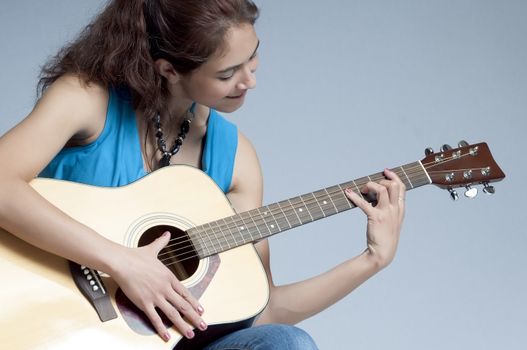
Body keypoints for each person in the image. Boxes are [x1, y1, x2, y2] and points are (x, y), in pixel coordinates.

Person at [0, 0, 406, 349]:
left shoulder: (236, 159)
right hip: (49, 324)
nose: (250, 80)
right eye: (228, 73)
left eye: (253, 57)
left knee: (288, 344)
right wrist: (123, 263)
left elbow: (262, 313)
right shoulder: (85, 99)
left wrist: (371, 261)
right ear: (169, 70)